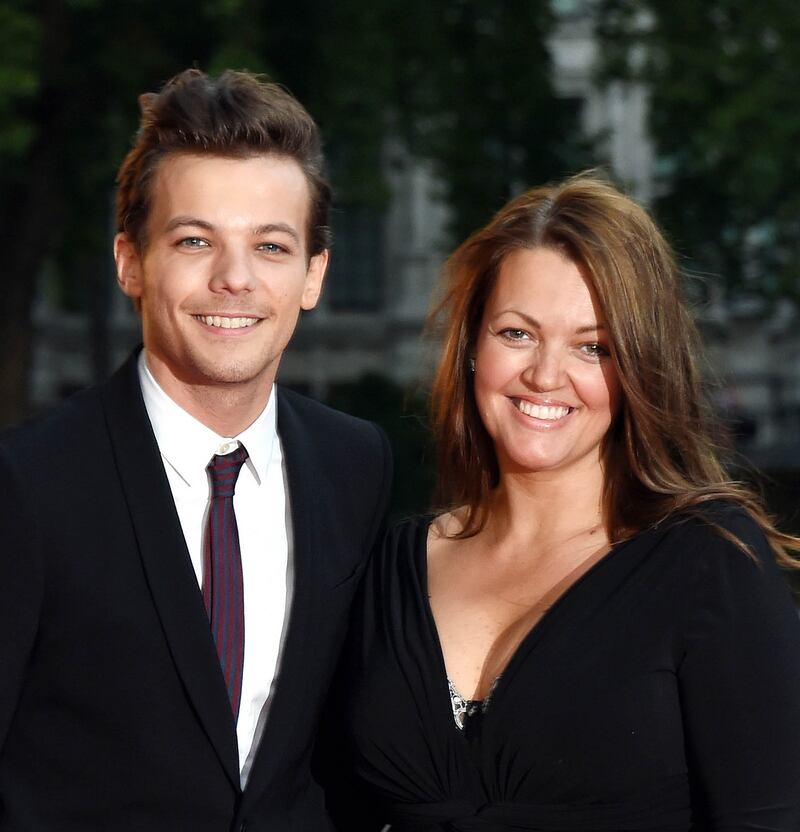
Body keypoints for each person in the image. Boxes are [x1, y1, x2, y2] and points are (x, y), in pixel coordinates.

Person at [338, 174, 800, 830]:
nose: (546, 376)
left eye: (593, 347)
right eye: (517, 334)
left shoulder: (708, 563)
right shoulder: (390, 567)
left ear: (638, 367)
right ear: (472, 346)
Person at [0, 68, 391, 831]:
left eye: (271, 247)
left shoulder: (356, 465)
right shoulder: (26, 485)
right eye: (194, 240)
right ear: (130, 263)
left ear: (314, 275)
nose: (234, 279)